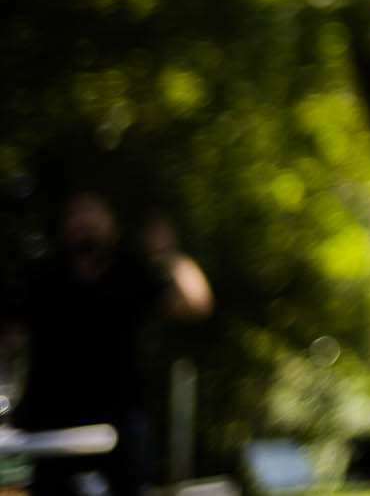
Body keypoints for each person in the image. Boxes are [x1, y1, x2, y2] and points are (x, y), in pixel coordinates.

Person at [2, 188, 212, 496]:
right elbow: (8, 341)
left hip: (120, 424)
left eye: (91, 211)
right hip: (49, 425)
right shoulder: (42, 279)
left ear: (112, 224)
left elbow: (196, 304)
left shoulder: (130, 274)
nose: (82, 220)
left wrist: (169, 255)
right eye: (74, 213)